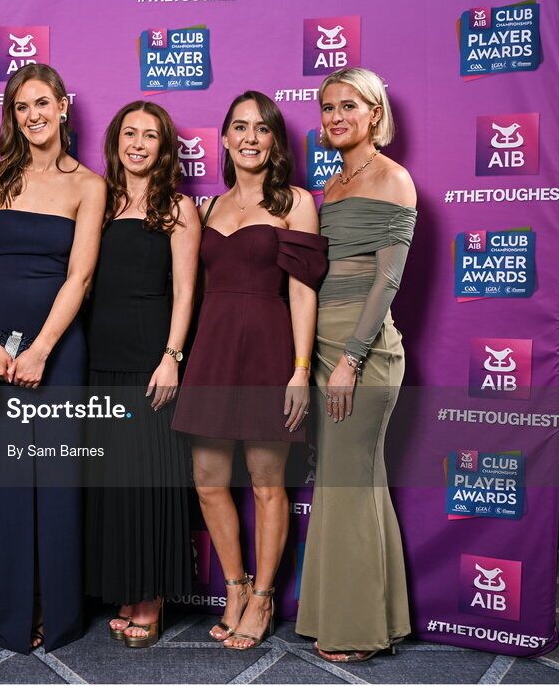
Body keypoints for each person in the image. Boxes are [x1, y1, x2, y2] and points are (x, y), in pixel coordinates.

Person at [171, 91, 327, 650]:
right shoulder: (209, 208)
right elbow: (197, 289)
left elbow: (304, 294)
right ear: (225, 138)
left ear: (275, 140)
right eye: (239, 127)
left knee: (267, 485)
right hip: (212, 351)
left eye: (262, 129)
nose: (250, 138)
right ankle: (234, 589)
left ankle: (262, 599)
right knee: (209, 483)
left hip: (269, 351)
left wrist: (300, 369)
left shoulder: (297, 203)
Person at [0, 63, 105, 653]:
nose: (34, 115)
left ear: (63, 107)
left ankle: (62, 615)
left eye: (43, 103)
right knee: (7, 485)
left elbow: (80, 276)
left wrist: (43, 349)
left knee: (55, 481)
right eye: (23, 106)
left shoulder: (89, 185)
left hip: (59, 350)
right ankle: (14, 617)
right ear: (12, 114)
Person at [296, 67, 416, 663]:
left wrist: (350, 359)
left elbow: (387, 280)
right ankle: (372, 617)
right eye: (327, 108)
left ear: (374, 113)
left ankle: (358, 631)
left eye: (349, 106)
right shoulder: (334, 185)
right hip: (322, 350)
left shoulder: (393, 180)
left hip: (361, 356)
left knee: (349, 483)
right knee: (355, 485)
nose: (335, 117)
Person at [83, 101, 199, 648]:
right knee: (114, 484)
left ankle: (151, 600)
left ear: (163, 147)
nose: (137, 143)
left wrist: (172, 357)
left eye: (149, 135)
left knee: (149, 481)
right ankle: (127, 591)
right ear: (115, 141)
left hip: (150, 361)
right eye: (129, 133)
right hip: (98, 361)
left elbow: (184, 291)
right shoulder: (98, 203)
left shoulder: (178, 208)